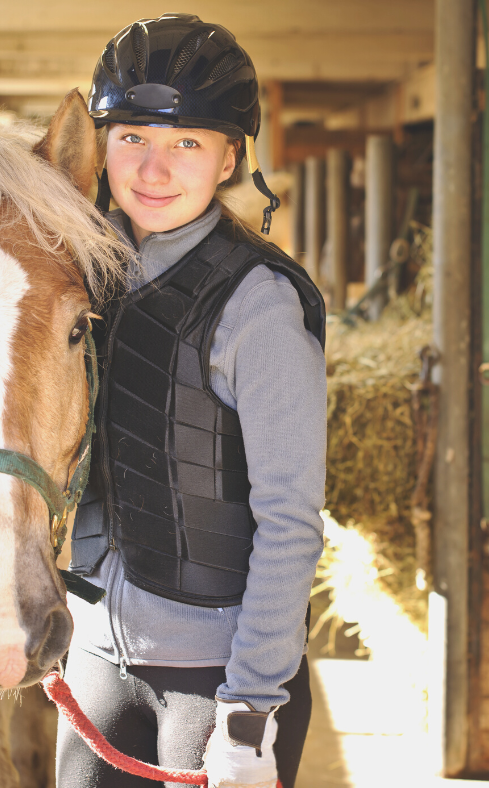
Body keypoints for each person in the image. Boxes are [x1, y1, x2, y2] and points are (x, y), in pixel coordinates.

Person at [55, 14, 327, 788]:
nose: (153, 168)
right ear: (100, 144)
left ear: (230, 157)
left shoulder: (259, 308)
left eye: (187, 143)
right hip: (99, 662)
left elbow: (289, 520)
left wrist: (248, 715)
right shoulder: (80, 283)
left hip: (217, 680)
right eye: (132, 136)